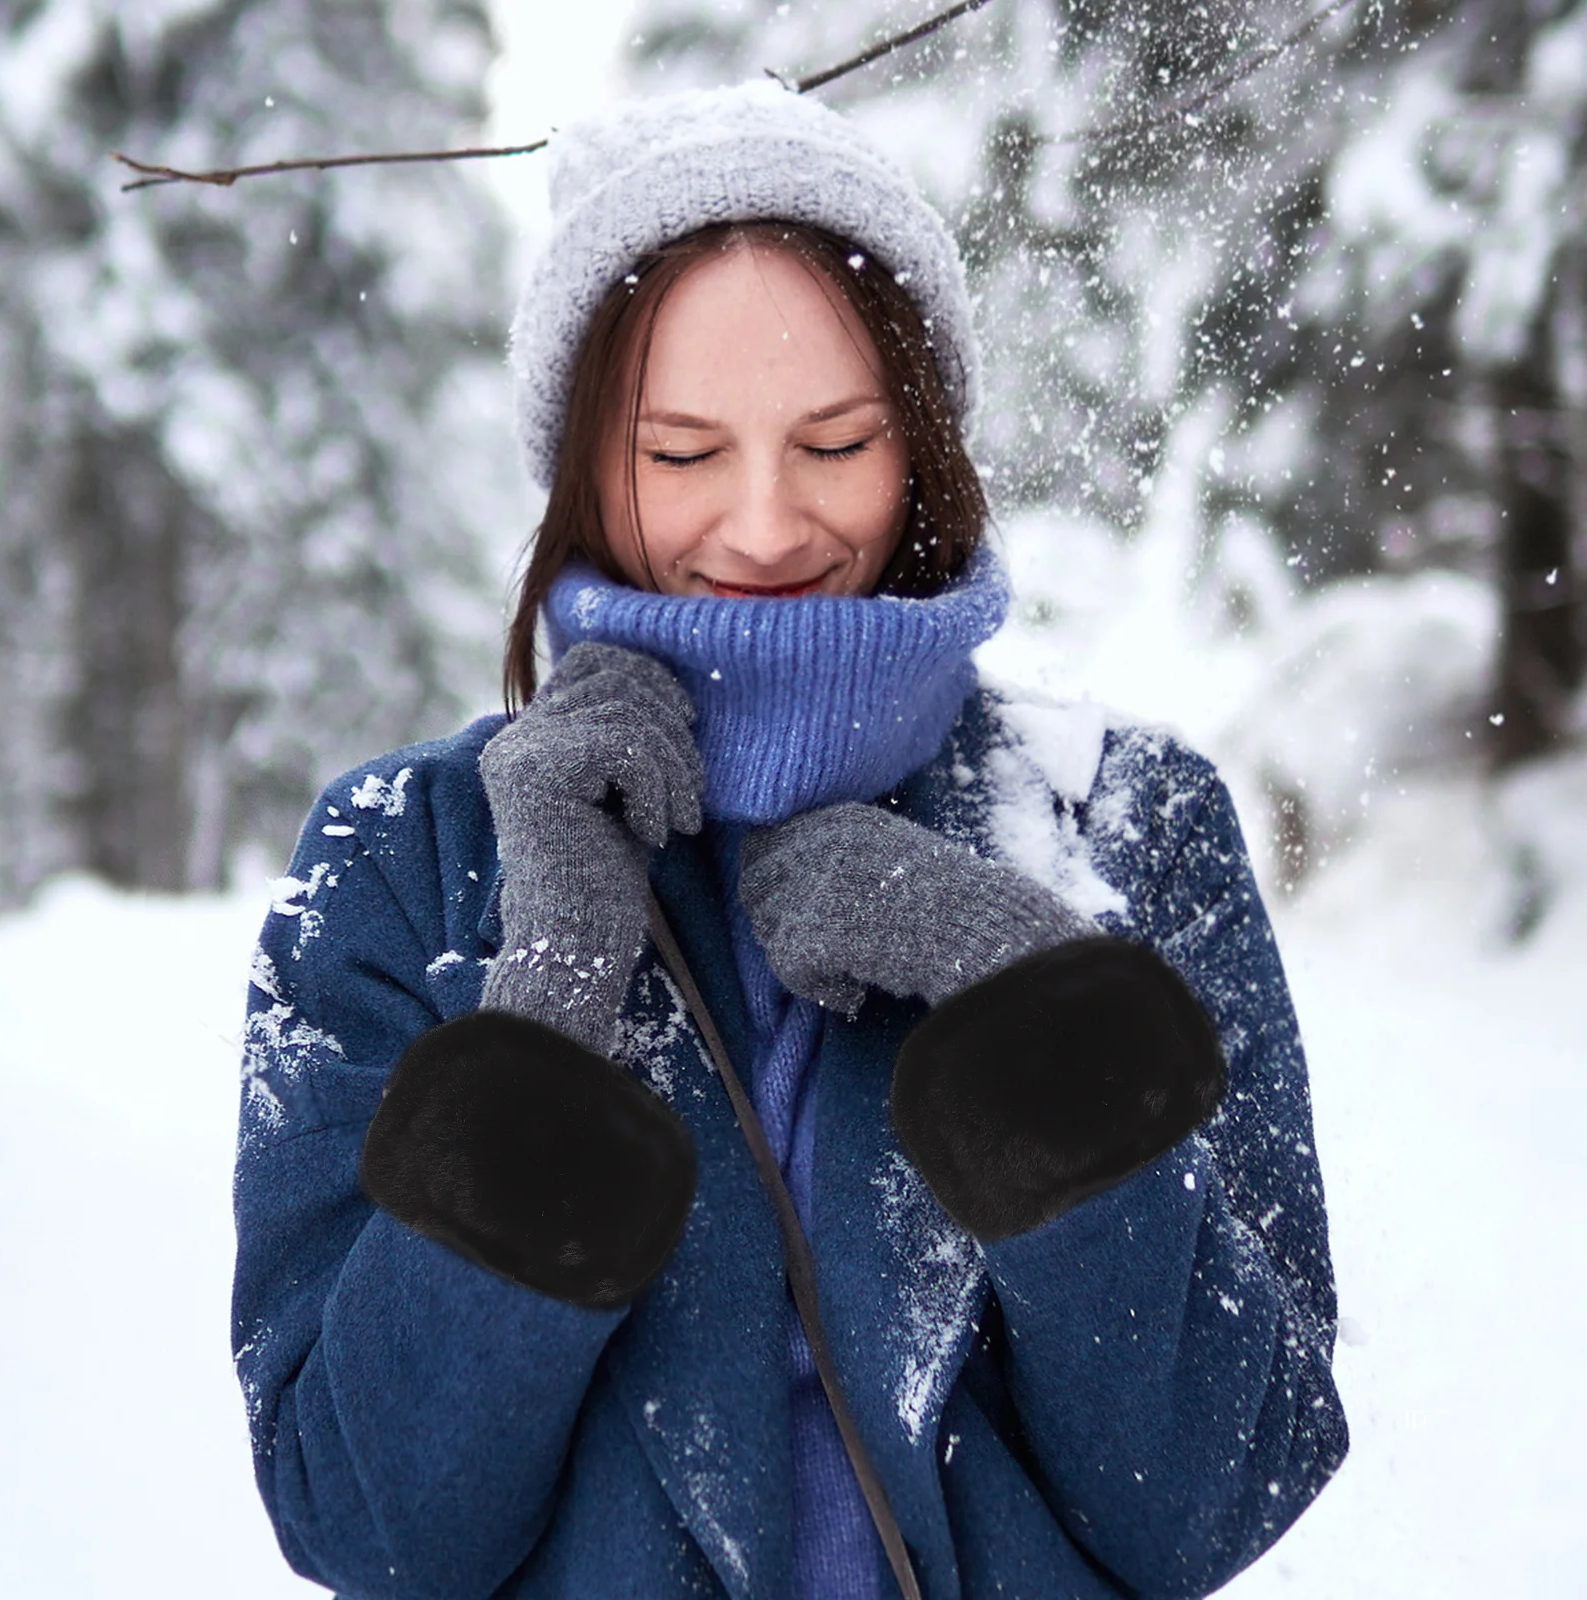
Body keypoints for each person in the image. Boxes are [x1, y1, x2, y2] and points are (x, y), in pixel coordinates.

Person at [233, 82, 1347, 1600]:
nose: (763, 528)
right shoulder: (402, 858)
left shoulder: (1135, 829)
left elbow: (1221, 1489)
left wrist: (1019, 986)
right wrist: (548, 994)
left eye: (835, 443)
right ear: (578, 465)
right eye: (682, 453)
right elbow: (368, 1521)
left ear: (926, 446)